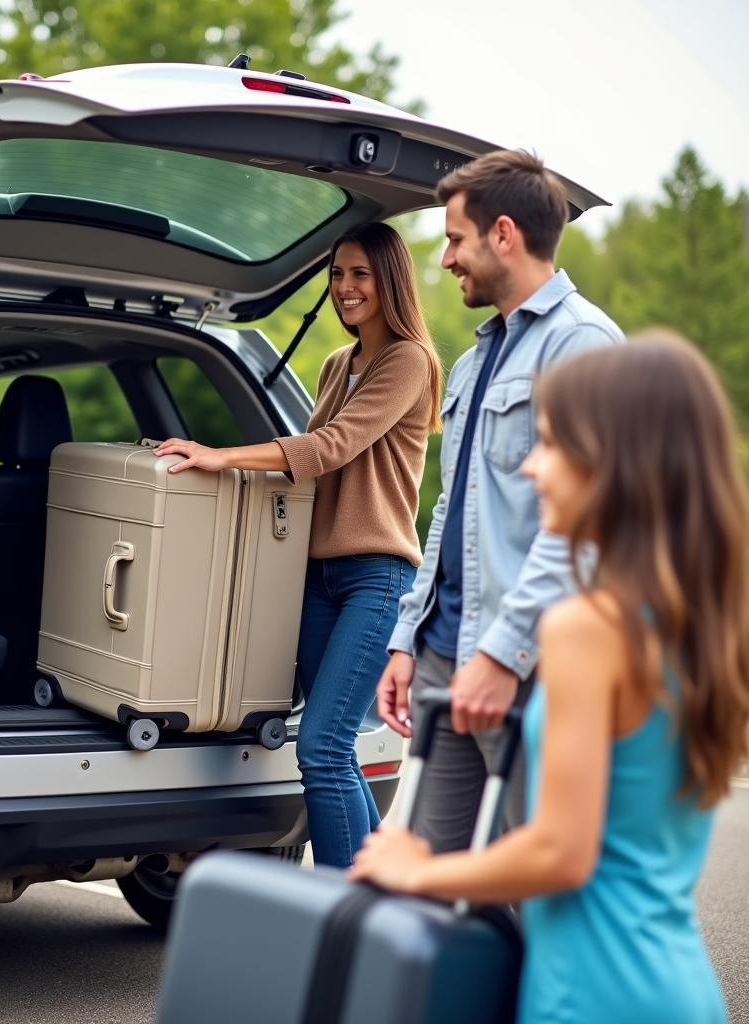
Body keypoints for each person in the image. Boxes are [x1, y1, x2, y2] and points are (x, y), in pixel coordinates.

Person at [351, 334, 746, 1023]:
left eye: (554, 444)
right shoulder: (702, 621)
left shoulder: (587, 628)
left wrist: (417, 870)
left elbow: (562, 852)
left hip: (592, 993)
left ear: (616, 463)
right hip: (674, 988)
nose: (532, 468)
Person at [154, 222, 441, 868]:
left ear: (390, 281)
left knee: (321, 745)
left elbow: (328, 449)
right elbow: (304, 473)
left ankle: (346, 916)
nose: (345, 288)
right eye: (337, 275)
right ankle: (378, 895)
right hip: (319, 580)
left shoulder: (409, 361)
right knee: (331, 750)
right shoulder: (339, 364)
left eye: (360, 275)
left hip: (376, 578)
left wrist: (221, 455)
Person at [376, 149, 623, 852]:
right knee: (433, 891)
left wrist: (503, 655)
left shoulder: (583, 346)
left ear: (504, 234)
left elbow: (583, 530)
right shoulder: (473, 359)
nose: (448, 259)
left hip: (525, 669)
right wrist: (408, 637)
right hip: (444, 655)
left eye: (456, 239)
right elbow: (453, 510)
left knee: (529, 890)